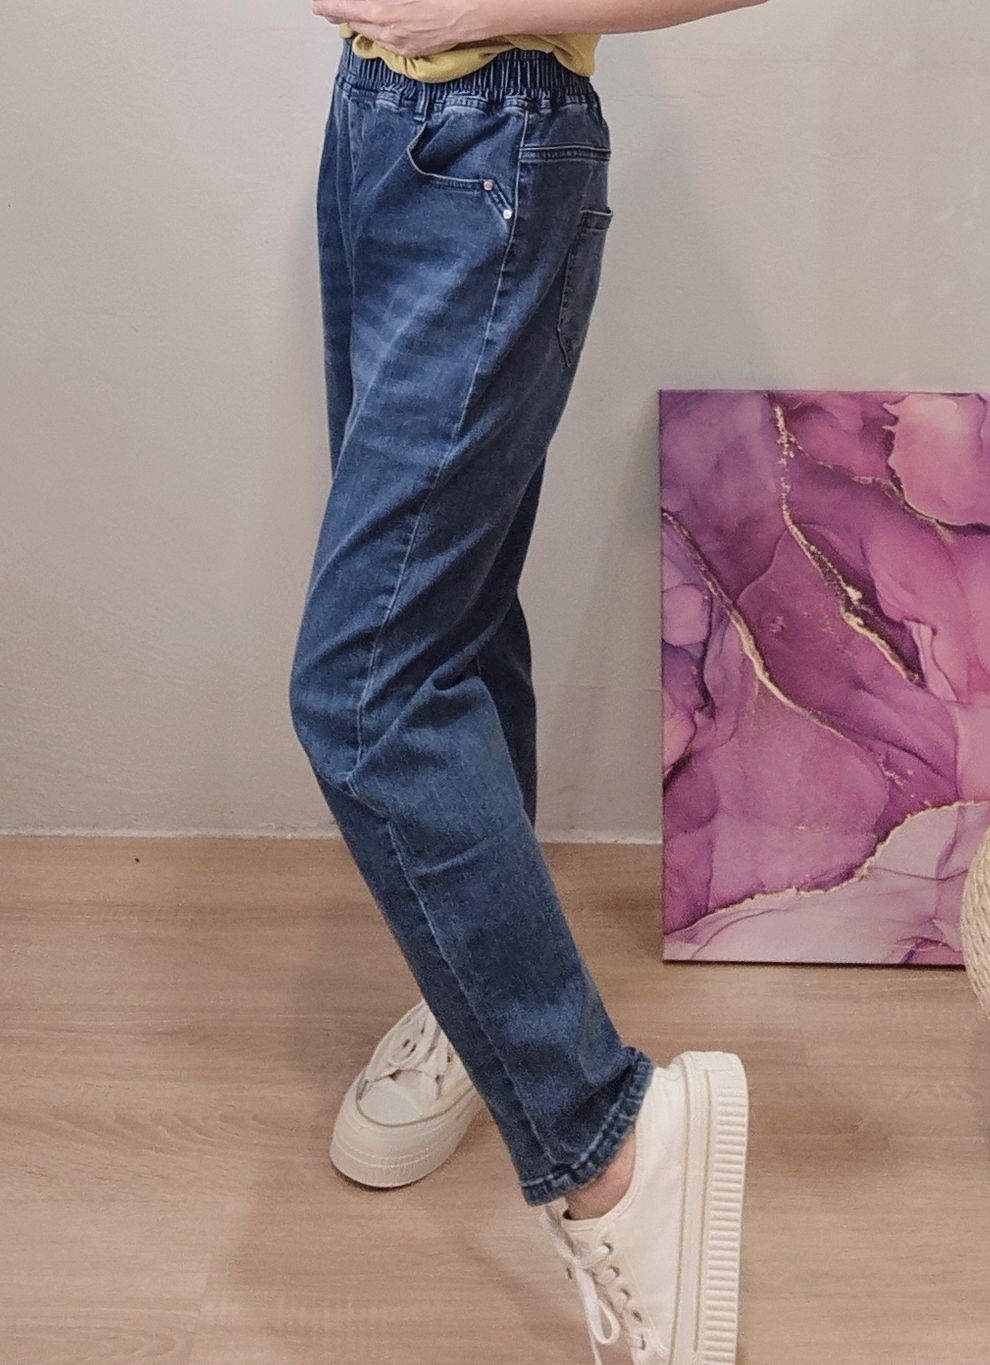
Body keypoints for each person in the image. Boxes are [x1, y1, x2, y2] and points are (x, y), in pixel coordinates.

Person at [289, 1, 765, 1359]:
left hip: (492, 137)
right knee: (446, 612)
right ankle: (476, 1003)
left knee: (363, 687)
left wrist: (484, 10)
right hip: (374, 121)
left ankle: (608, 1137)